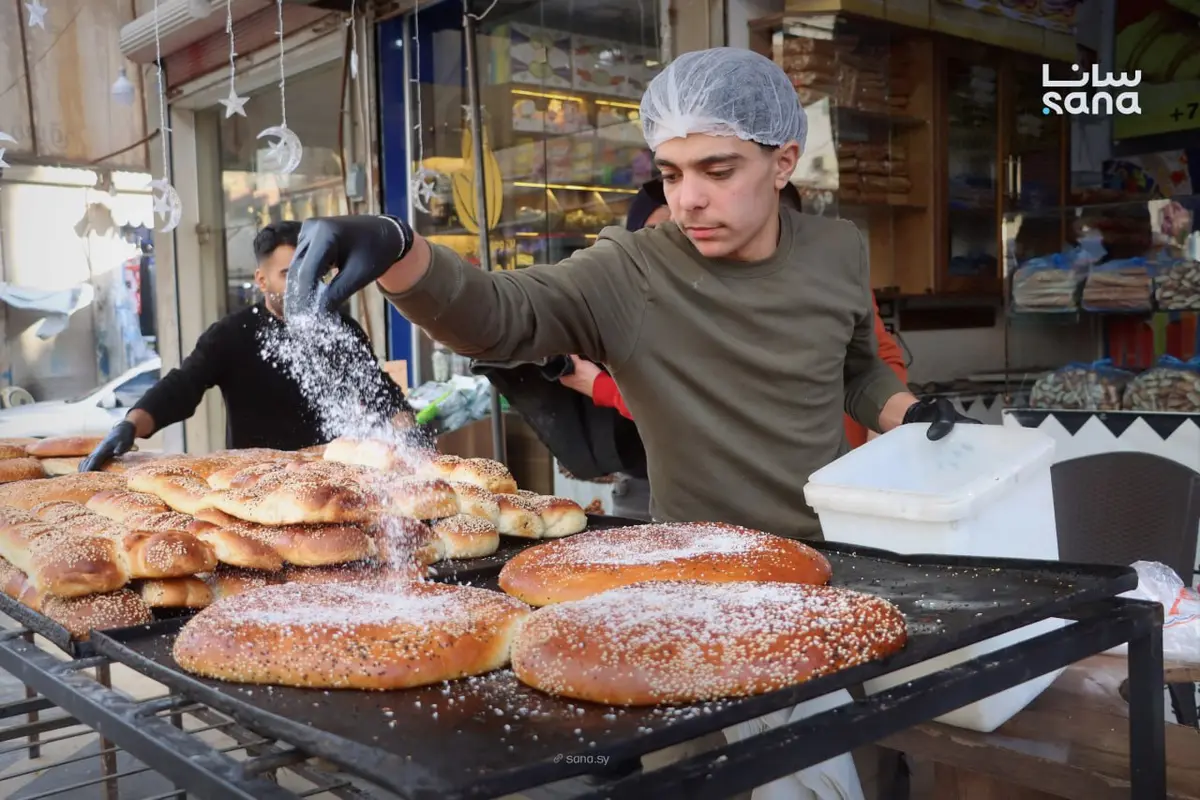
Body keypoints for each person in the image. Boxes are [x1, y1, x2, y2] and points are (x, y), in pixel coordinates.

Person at [283, 47, 976, 543]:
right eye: (672, 173)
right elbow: (500, 317)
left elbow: (855, 368)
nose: (689, 200)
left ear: (783, 161)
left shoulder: (837, 249)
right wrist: (402, 249)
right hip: (704, 563)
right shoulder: (632, 270)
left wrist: (908, 413)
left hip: (844, 541)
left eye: (717, 169)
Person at [559, 178, 909, 452]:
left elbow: (876, 363)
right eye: (656, 237)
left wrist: (881, 441)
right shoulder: (663, 299)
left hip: (831, 485)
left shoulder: (830, 277)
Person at [79, 221, 414, 471]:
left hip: (331, 479)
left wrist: (407, 431)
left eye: (312, 272)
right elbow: (183, 385)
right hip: (254, 484)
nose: (304, 284)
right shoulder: (232, 334)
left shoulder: (341, 330)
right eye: (289, 274)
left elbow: (380, 393)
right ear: (261, 280)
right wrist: (130, 424)